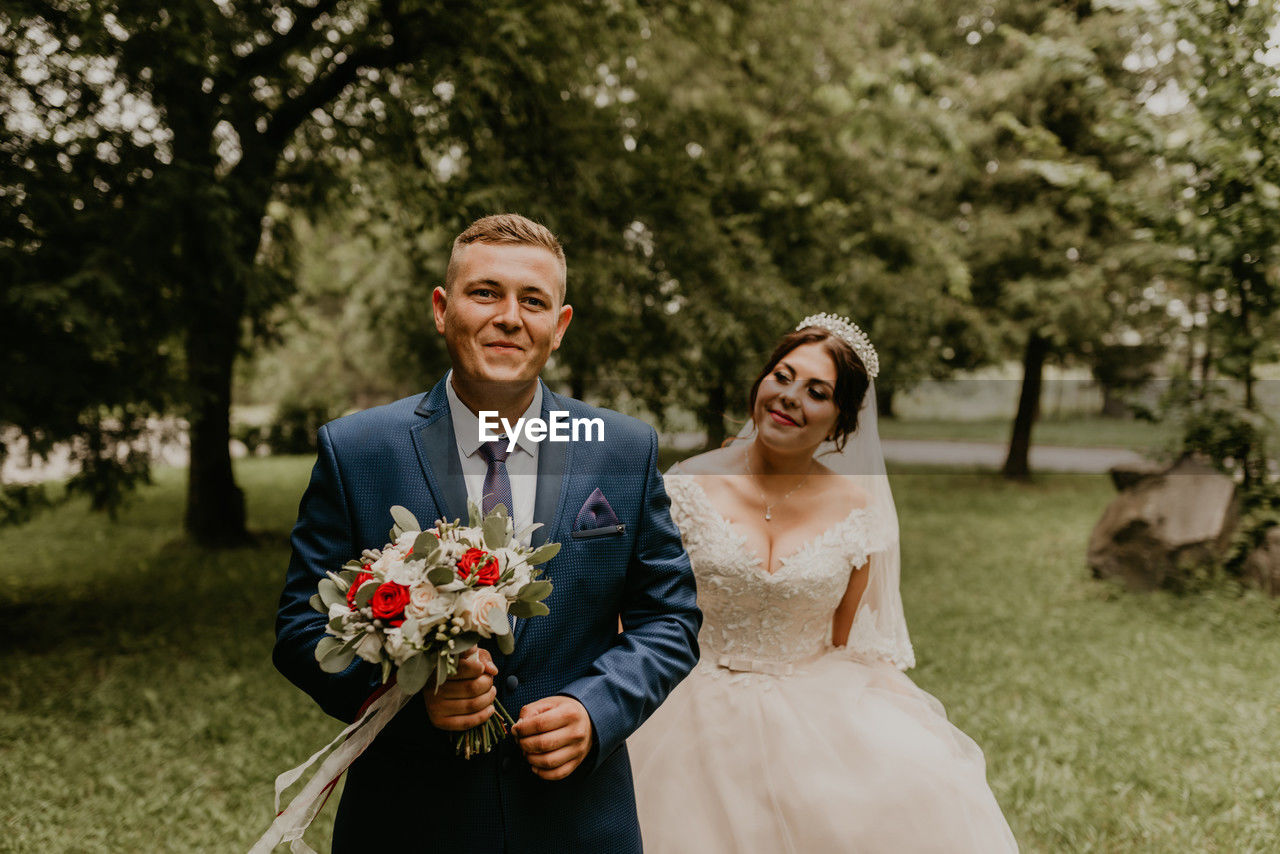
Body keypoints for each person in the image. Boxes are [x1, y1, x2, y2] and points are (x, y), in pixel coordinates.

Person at [272, 214, 702, 853]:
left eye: (533, 301)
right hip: (410, 822)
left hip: (575, 821)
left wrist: (597, 709)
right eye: (486, 293)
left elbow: (669, 618)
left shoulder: (621, 449)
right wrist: (407, 700)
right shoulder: (358, 450)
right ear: (442, 310)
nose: (509, 316)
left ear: (559, 327)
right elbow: (301, 630)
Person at [628, 314, 1018, 852]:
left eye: (817, 391)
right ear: (761, 383)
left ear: (840, 420)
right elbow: (641, 609)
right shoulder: (685, 485)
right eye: (782, 377)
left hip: (812, 713)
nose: (790, 398)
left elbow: (846, 638)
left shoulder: (860, 510)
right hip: (684, 705)